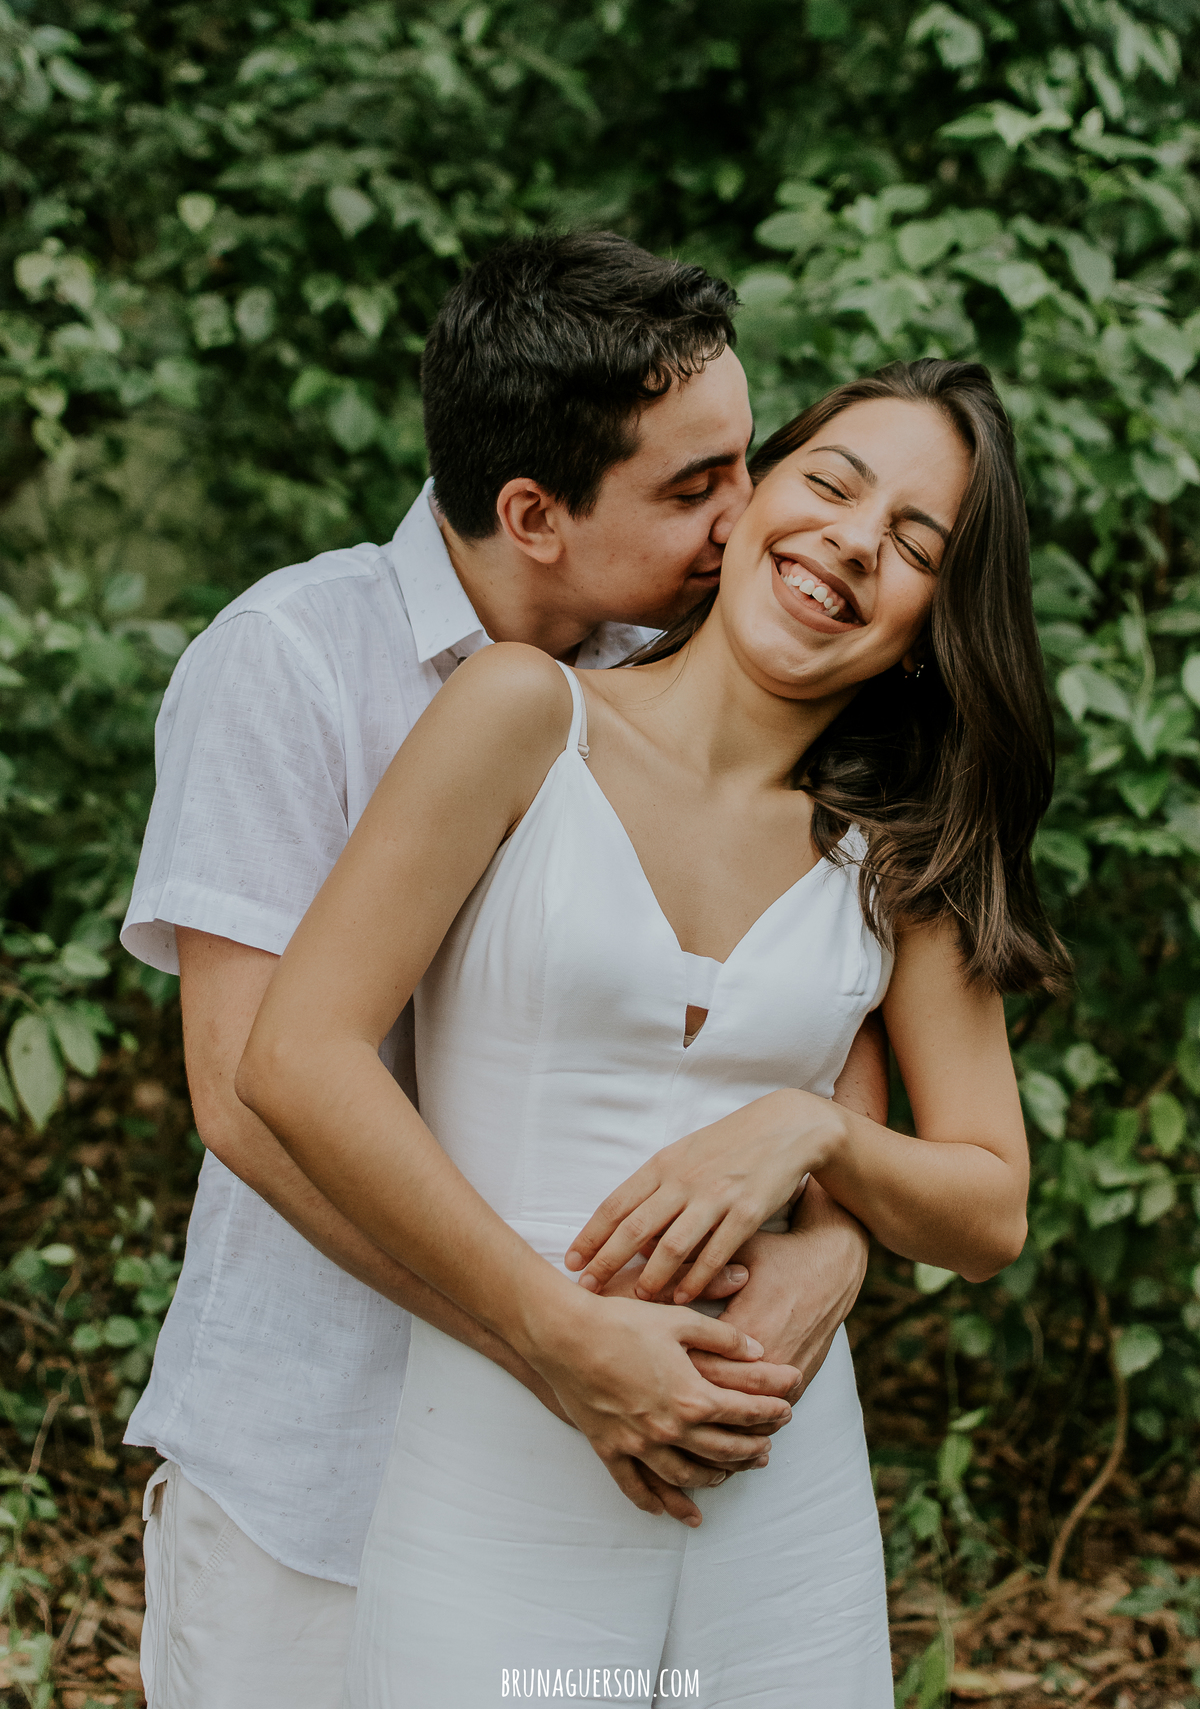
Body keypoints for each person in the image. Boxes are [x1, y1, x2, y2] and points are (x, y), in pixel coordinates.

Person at [121, 232, 889, 1709]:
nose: (750, 521)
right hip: (322, 1475)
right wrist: (552, 1346)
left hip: (621, 1484)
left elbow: (817, 998)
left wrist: (837, 1244)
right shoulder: (289, 661)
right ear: (533, 512)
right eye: (693, 487)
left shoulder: (685, 676)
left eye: (747, 461)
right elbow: (245, 1098)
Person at [238, 357, 1069, 1706]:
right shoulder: (521, 715)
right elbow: (294, 1059)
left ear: (930, 625)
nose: (855, 544)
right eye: (833, 485)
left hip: (778, 1505)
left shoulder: (892, 856)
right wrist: (556, 1333)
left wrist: (813, 1138)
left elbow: (989, 1209)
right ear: (743, 505)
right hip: (504, 1459)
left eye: (917, 544)